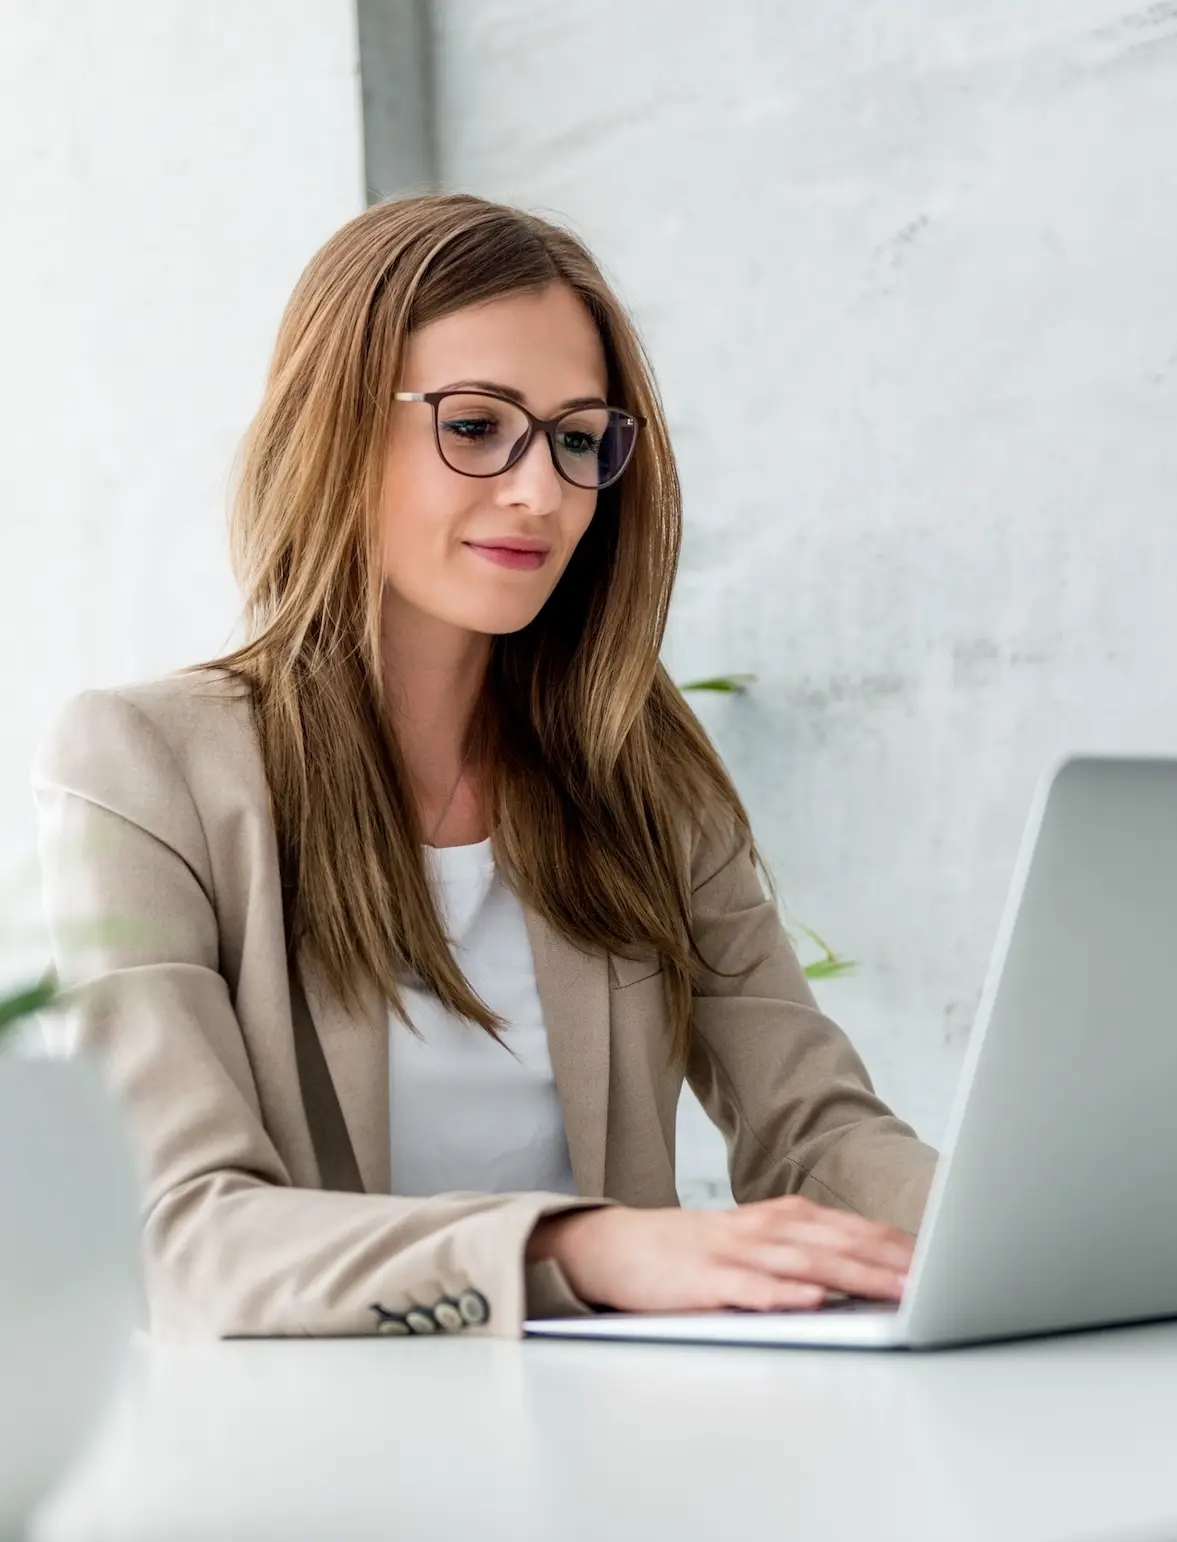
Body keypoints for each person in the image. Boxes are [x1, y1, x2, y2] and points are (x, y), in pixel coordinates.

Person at [31, 193, 937, 1341]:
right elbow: (183, 1236)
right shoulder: (143, 766)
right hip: (309, 1468)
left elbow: (817, 1134)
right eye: (474, 425)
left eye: (574, 436)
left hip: (612, 1438)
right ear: (335, 425)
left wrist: (1006, 1225)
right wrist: (575, 1245)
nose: (541, 491)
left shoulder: (634, 766)